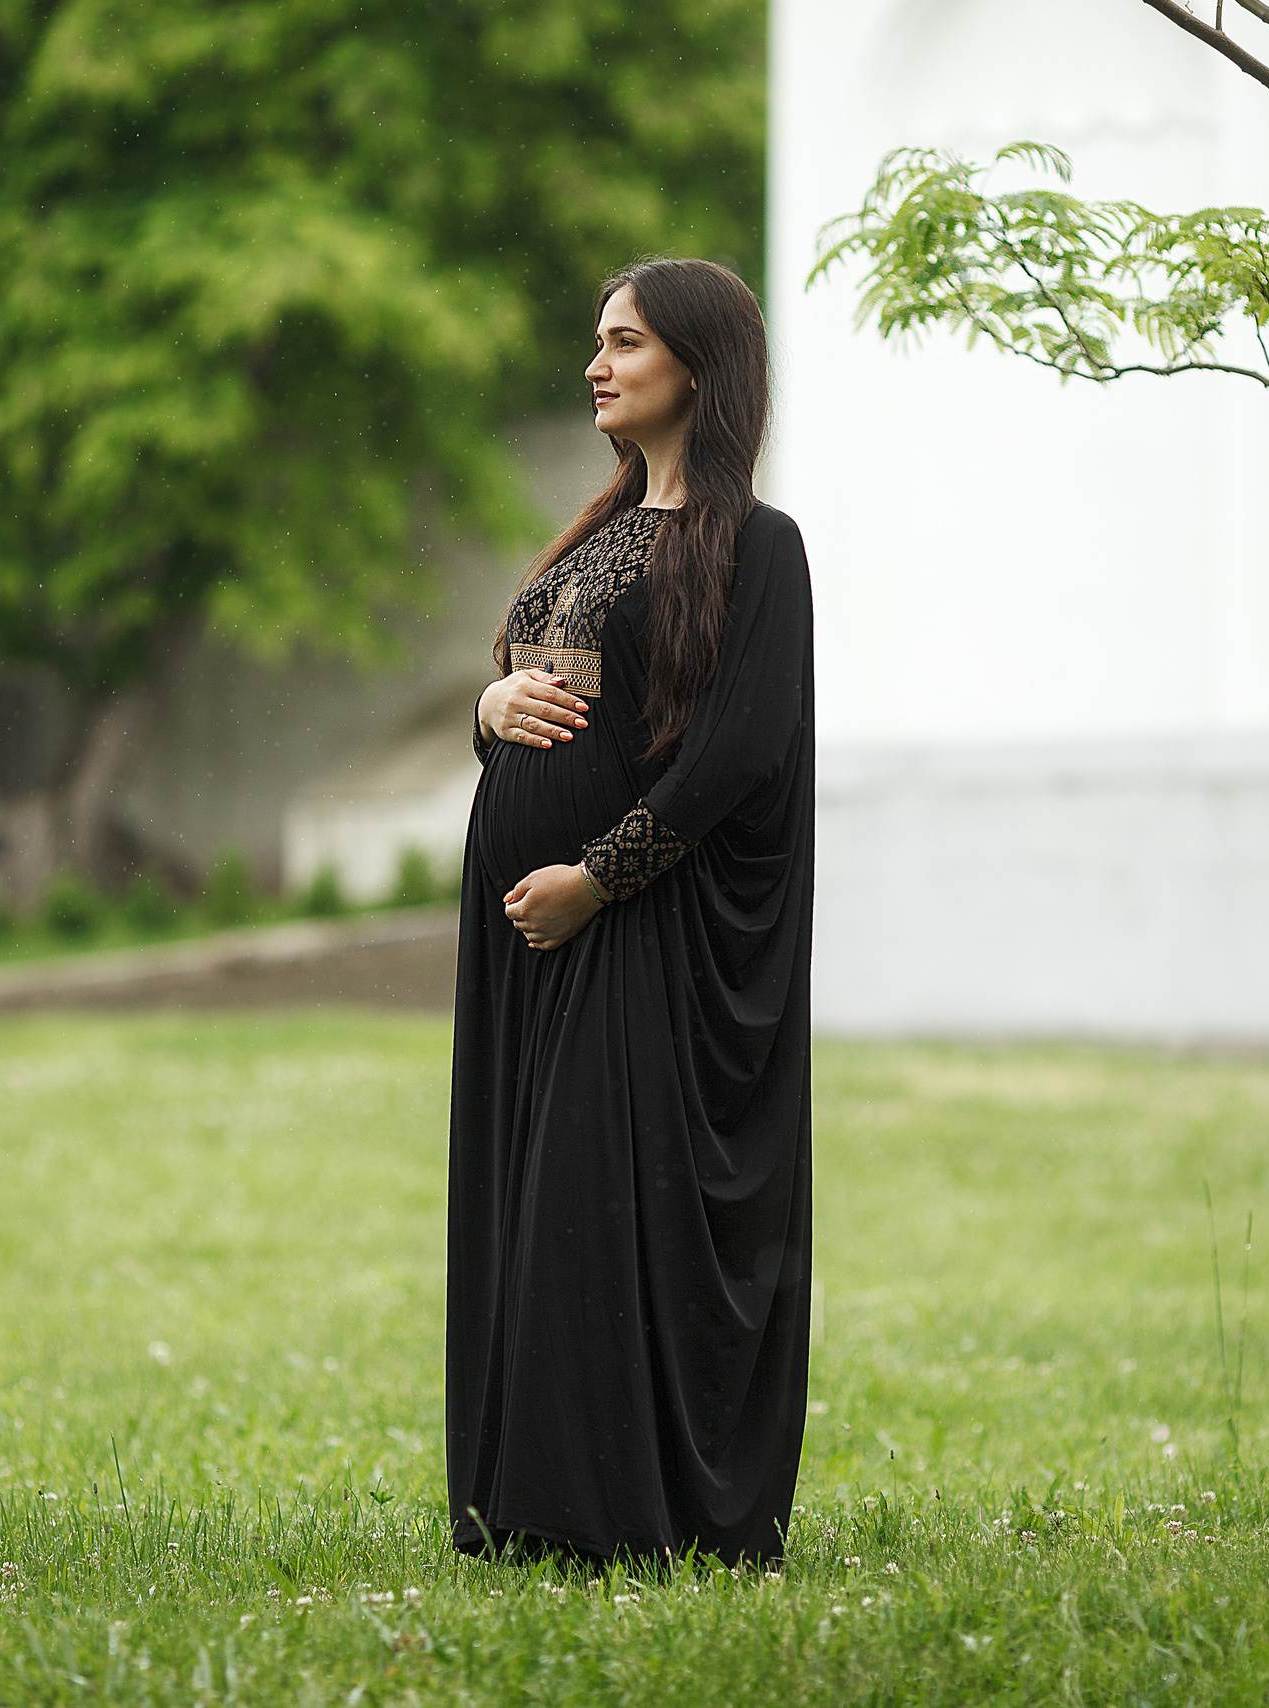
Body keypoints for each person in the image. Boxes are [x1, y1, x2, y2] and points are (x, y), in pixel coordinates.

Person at [445, 257, 815, 1565]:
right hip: (531, 942)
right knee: (531, 1204)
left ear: (699, 370)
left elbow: (740, 752)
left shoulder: (760, 550)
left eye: (627, 343)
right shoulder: (594, 536)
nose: (597, 365)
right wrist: (487, 712)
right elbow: (533, 694)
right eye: (595, 341)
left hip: (641, 935)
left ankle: (613, 1512)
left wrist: (597, 880)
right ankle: (526, 1497)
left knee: (595, 1213)